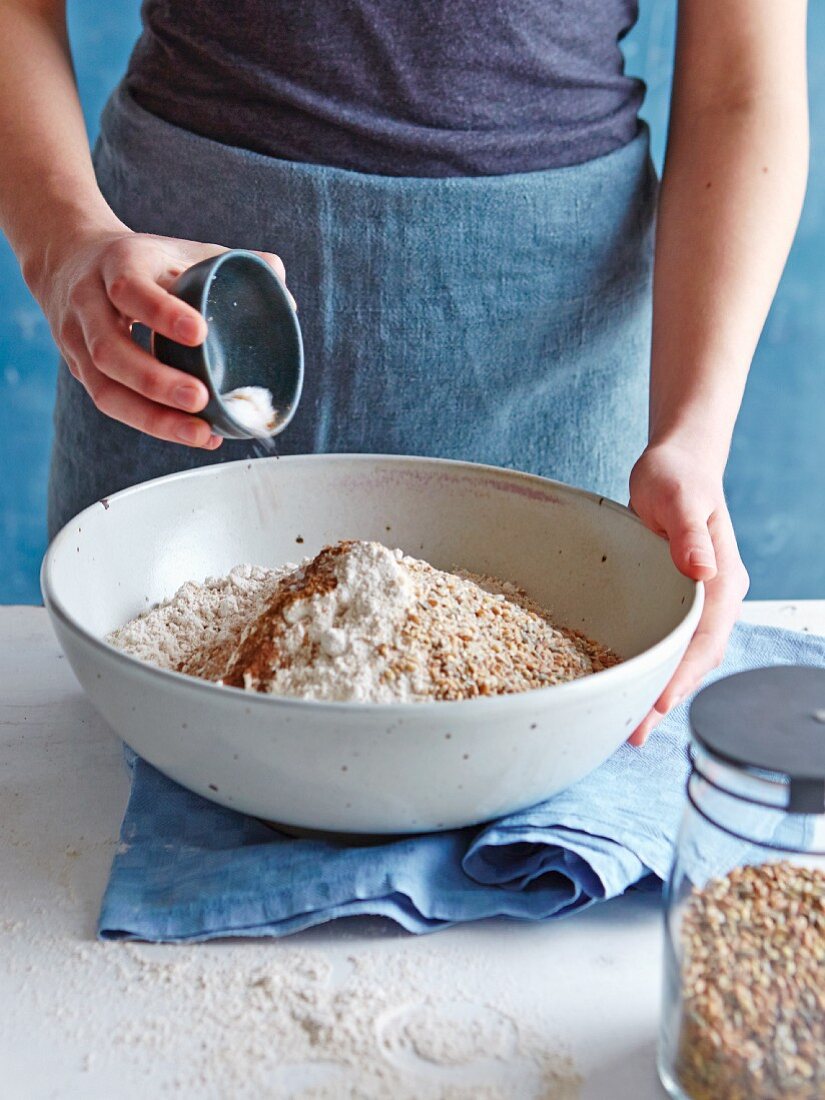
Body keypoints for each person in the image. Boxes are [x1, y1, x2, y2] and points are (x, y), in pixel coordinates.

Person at [0, 1, 808, 742]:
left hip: (545, 340)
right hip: (187, 313)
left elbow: (741, 87)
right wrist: (65, 242)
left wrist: (689, 437)